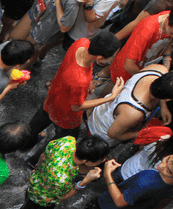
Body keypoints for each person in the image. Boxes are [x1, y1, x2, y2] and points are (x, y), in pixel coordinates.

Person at [0, 135, 110, 209]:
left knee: (28, 205)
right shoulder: (62, 178)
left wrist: (37, 169)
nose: (104, 160)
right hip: (42, 198)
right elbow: (62, 197)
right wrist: (85, 181)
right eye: (101, 160)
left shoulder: (68, 141)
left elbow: (43, 156)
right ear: (85, 161)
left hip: (36, 181)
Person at [26, 32, 123, 167]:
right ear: (100, 58)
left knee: (39, 121)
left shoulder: (81, 43)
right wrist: (111, 97)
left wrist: (89, 82)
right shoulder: (80, 81)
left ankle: (24, 143)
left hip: (54, 95)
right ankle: (33, 162)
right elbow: (77, 106)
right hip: (66, 114)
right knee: (62, 141)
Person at [86, 66, 173, 145]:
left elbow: (160, 87)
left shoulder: (160, 69)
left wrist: (163, 107)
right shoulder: (134, 112)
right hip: (103, 126)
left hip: (107, 107)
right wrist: (143, 133)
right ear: (168, 99)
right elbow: (112, 134)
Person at [111, 11, 173, 84]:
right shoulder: (147, 31)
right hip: (126, 72)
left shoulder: (169, 19)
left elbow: (168, 46)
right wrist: (146, 81)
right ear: (167, 20)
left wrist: (166, 68)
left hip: (145, 69)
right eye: (171, 33)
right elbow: (128, 65)